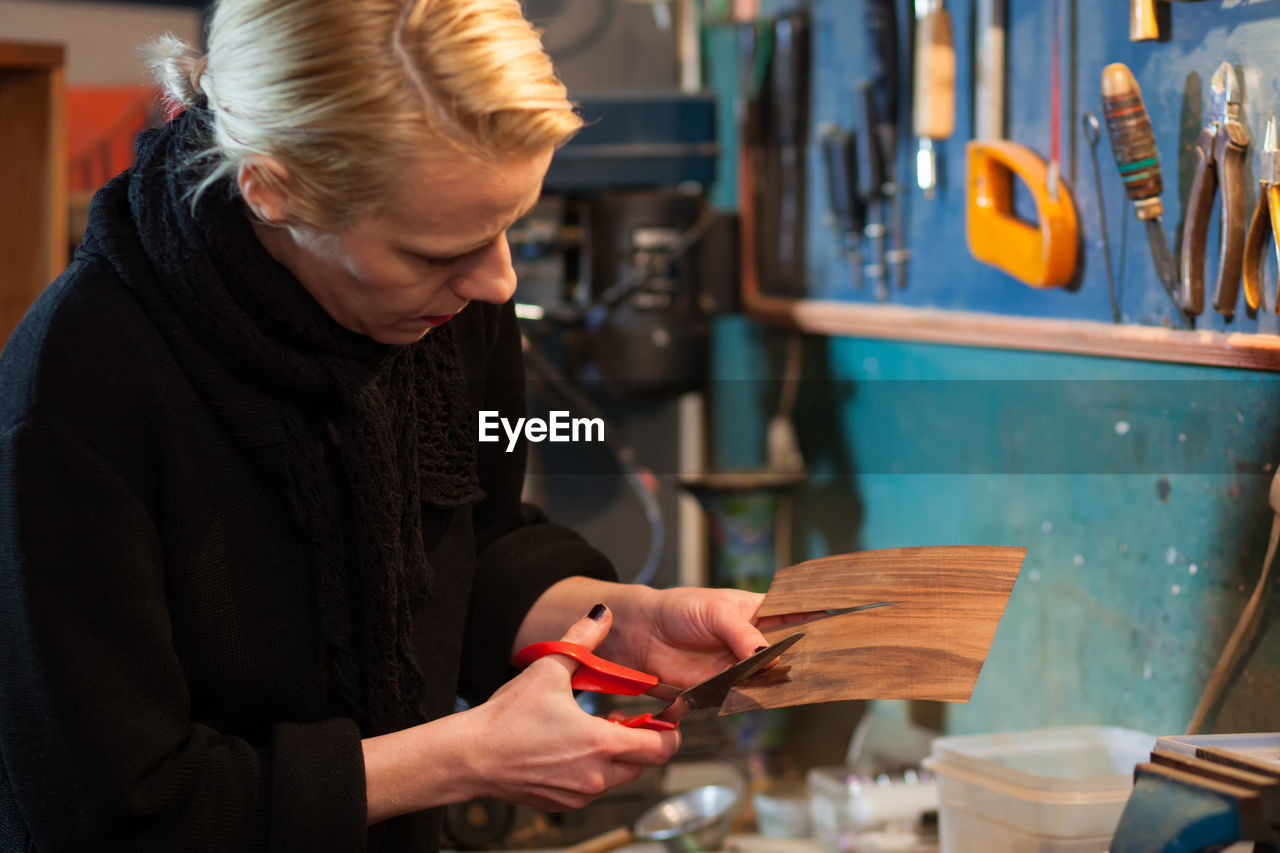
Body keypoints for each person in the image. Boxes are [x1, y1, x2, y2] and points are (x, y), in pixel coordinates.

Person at [0, 1, 778, 850]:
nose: (496, 281)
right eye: (440, 252)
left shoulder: (444, 311)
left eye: (508, 227)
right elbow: (115, 812)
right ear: (273, 189)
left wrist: (622, 620)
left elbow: (467, 551)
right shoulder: (75, 392)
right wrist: (460, 758)